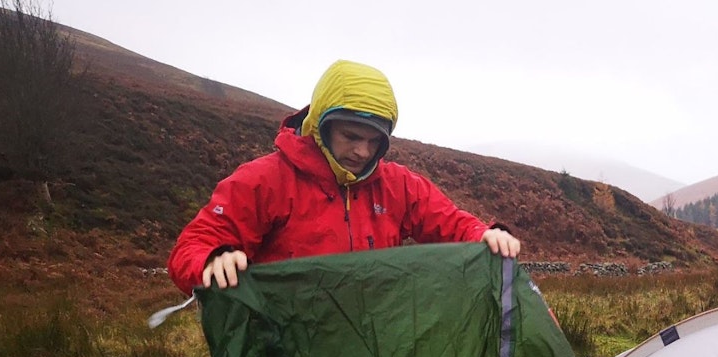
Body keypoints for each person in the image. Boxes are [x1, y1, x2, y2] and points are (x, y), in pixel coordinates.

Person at [167, 59, 520, 295]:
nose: (363, 152)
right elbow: (192, 247)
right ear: (322, 126)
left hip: (371, 350)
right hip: (283, 351)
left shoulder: (397, 185)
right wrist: (213, 260)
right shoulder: (265, 180)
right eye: (351, 137)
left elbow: (451, 223)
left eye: (373, 141)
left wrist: (486, 234)